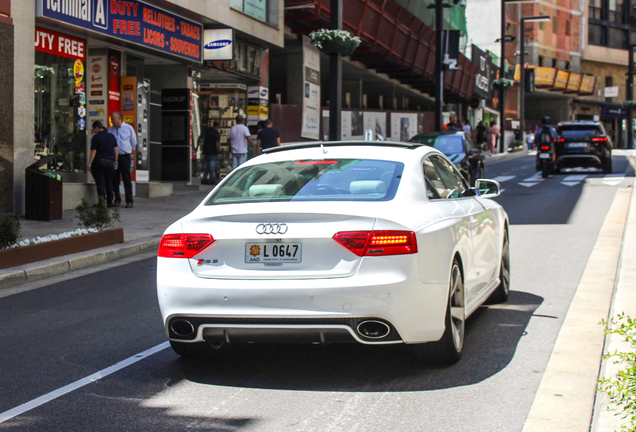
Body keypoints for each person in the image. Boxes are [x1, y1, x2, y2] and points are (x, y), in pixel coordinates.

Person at [109, 111, 137, 208]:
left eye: (113, 119)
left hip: (124, 156)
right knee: (114, 179)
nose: (112, 121)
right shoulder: (110, 130)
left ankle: (129, 200)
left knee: (126, 178)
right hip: (113, 158)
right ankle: (117, 199)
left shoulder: (128, 128)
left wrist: (128, 150)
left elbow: (133, 142)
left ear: (119, 119)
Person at [87, 121, 118, 207]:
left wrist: (89, 163)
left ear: (96, 127)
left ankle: (101, 202)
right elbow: (116, 149)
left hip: (99, 162)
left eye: (94, 129)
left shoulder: (96, 137)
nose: (94, 131)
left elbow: (93, 151)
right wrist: (116, 160)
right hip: (110, 163)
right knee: (109, 182)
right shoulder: (111, 136)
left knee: (100, 182)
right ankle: (110, 202)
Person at [202, 120, 221, 184]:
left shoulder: (208, 131)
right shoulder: (217, 133)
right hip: (213, 152)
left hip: (207, 151)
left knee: (208, 167)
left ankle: (204, 179)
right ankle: (212, 180)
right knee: (212, 168)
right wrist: (218, 151)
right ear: (218, 125)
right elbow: (217, 144)